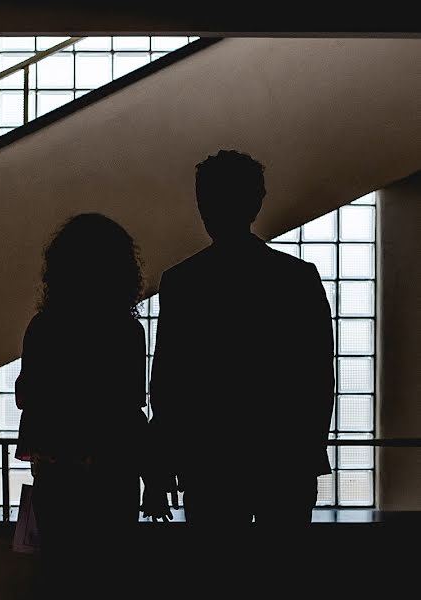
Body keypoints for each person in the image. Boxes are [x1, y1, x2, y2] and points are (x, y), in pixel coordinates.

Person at [143, 150, 334, 527]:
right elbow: (317, 379)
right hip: (285, 461)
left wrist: (162, 463)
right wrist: (307, 450)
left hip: (210, 463)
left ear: (203, 204)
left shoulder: (184, 282)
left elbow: (169, 385)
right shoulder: (298, 279)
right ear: (257, 201)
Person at [15, 213, 147, 595]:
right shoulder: (125, 331)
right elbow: (128, 409)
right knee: (110, 572)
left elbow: (29, 398)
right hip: (112, 475)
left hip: (58, 475)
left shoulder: (43, 328)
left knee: (61, 572)